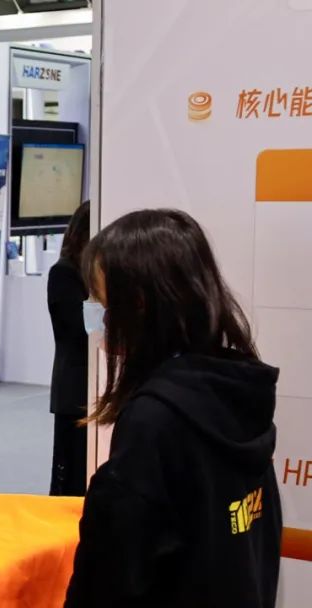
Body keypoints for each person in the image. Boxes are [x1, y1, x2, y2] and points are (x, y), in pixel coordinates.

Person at [65, 209, 282, 607]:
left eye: (100, 297)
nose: (94, 310)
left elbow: (114, 570)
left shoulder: (156, 419)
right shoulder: (236, 392)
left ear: (139, 303)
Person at [47, 201, 90, 497]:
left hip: (92, 383)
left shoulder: (93, 272)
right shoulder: (64, 272)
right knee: (70, 467)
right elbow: (77, 329)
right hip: (74, 386)